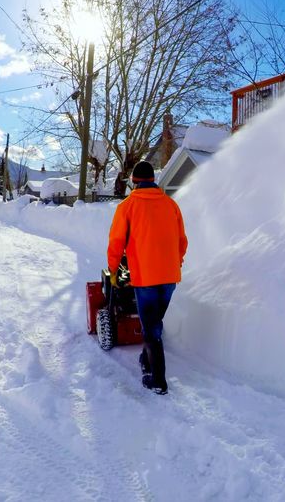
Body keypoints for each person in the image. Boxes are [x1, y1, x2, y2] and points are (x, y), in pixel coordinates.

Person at [107, 160, 187, 395]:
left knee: (150, 328)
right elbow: (182, 241)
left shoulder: (127, 206)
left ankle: (159, 381)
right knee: (155, 323)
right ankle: (145, 358)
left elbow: (116, 244)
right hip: (170, 278)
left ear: (133, 182)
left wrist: (113, 271)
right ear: (154, 180)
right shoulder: (171, 205)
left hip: (145, 278)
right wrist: (176, 262)